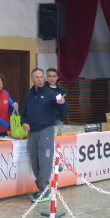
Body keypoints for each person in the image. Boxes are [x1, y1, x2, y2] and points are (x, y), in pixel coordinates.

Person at [21, 68, 69, 202]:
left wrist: (62, 104)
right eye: (37, 77)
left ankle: (45, 191)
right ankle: (41, 189)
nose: (40, 79)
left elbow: (64, 110)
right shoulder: (29, 95)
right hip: (32, 132)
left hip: (46, 131)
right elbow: (23, 114)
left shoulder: (53, 94)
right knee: (35, 162)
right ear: (32, 79)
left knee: (45, 161)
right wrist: (23, 123)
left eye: (41, 77)